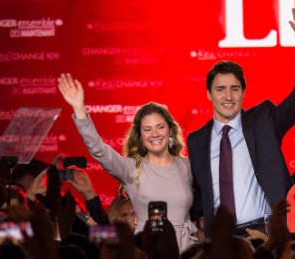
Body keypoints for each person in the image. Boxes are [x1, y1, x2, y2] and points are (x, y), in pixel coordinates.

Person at [187, 7, 295, 237]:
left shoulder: (264, 121)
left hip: (268, 231)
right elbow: (200, 192)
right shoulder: (196, 140)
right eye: (220, 89)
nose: (228, 97)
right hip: (222, 239)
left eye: (235, 89)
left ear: (243, 93)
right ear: (209, 94)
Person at [57, 74, 197, 251]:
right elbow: (98, 149)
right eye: (147, 129)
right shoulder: (131, 168)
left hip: (186, 250)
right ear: (140, 136)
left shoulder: (188, 167)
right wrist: (79, 108)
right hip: (147, 250)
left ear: (170, 130)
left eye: (160, 127)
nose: (155, 134)